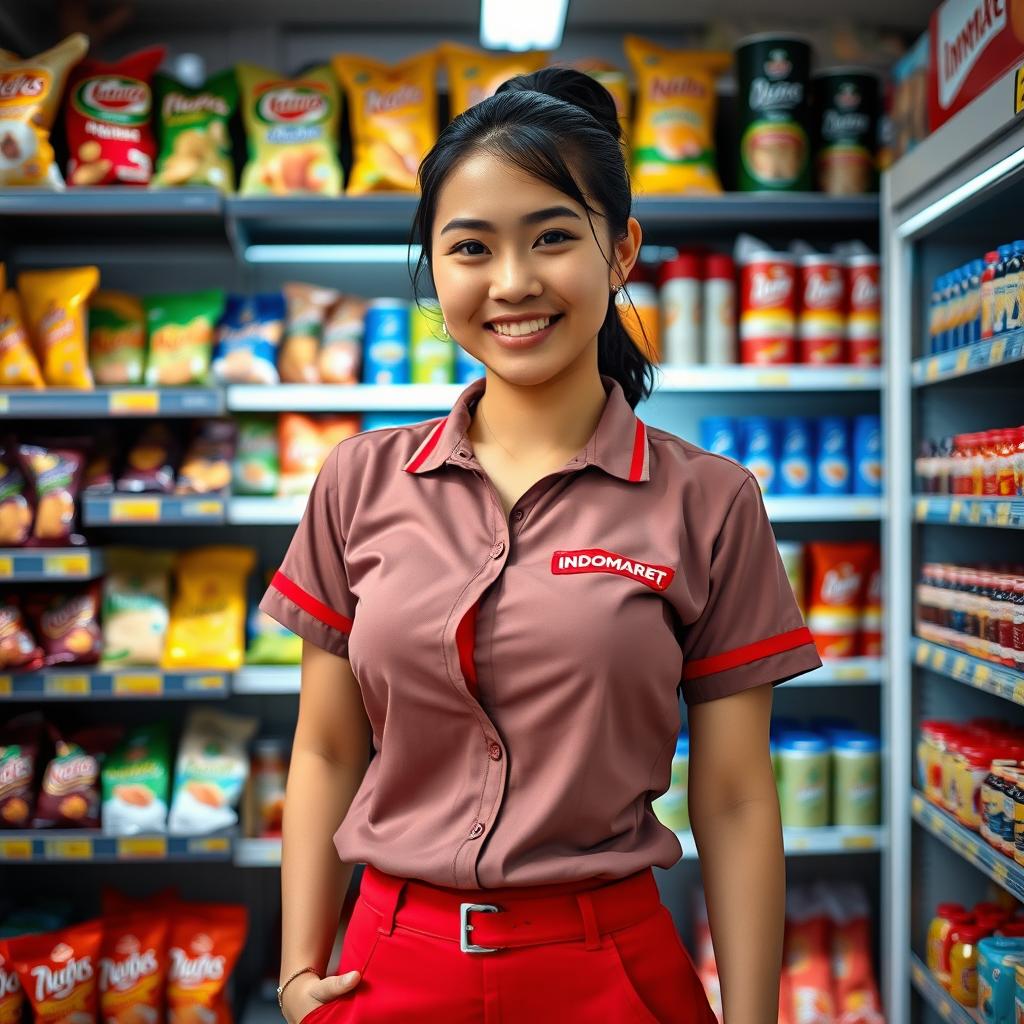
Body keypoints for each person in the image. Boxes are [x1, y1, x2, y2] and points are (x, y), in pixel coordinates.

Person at [263, 66, 822, 1024]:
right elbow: (324, 747)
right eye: (471, 247)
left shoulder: (711, 502)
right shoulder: (359, 480)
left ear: (621, 251)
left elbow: (732, 796)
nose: (513, 282)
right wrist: (295, 972)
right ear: (435, 273)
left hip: (610, 972)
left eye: (553, 237)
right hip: (387, 969)